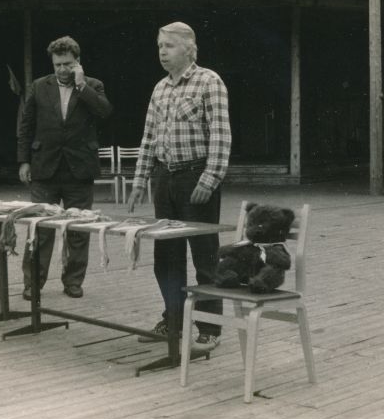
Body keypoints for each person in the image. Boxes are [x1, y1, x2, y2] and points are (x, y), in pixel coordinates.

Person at [127, 22, 231, 353]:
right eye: (159, 45)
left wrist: (210, 178)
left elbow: (220, 134)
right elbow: (148, 138)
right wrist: (140, 180)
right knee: (166, 256)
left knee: (204, 257)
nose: (161, 51)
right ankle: (173, 319)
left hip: (195, 177)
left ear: (189, 48)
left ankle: (210, 327)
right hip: (164, 179)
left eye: (169, 46)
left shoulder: (209, 82)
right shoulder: (159, 89)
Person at [17, 35, 112, 299]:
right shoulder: (38, 86)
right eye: (58, 64)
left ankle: (73, 281)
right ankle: (33, 282)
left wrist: (82, 86)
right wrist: (24, 160)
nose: (62, 69)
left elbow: (105, 112)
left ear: (78, 62)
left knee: (79, 230)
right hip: (44, 168)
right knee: (40, 229)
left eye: (68, 64)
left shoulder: (93, 85)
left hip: (79, 170)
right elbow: (26, 126)